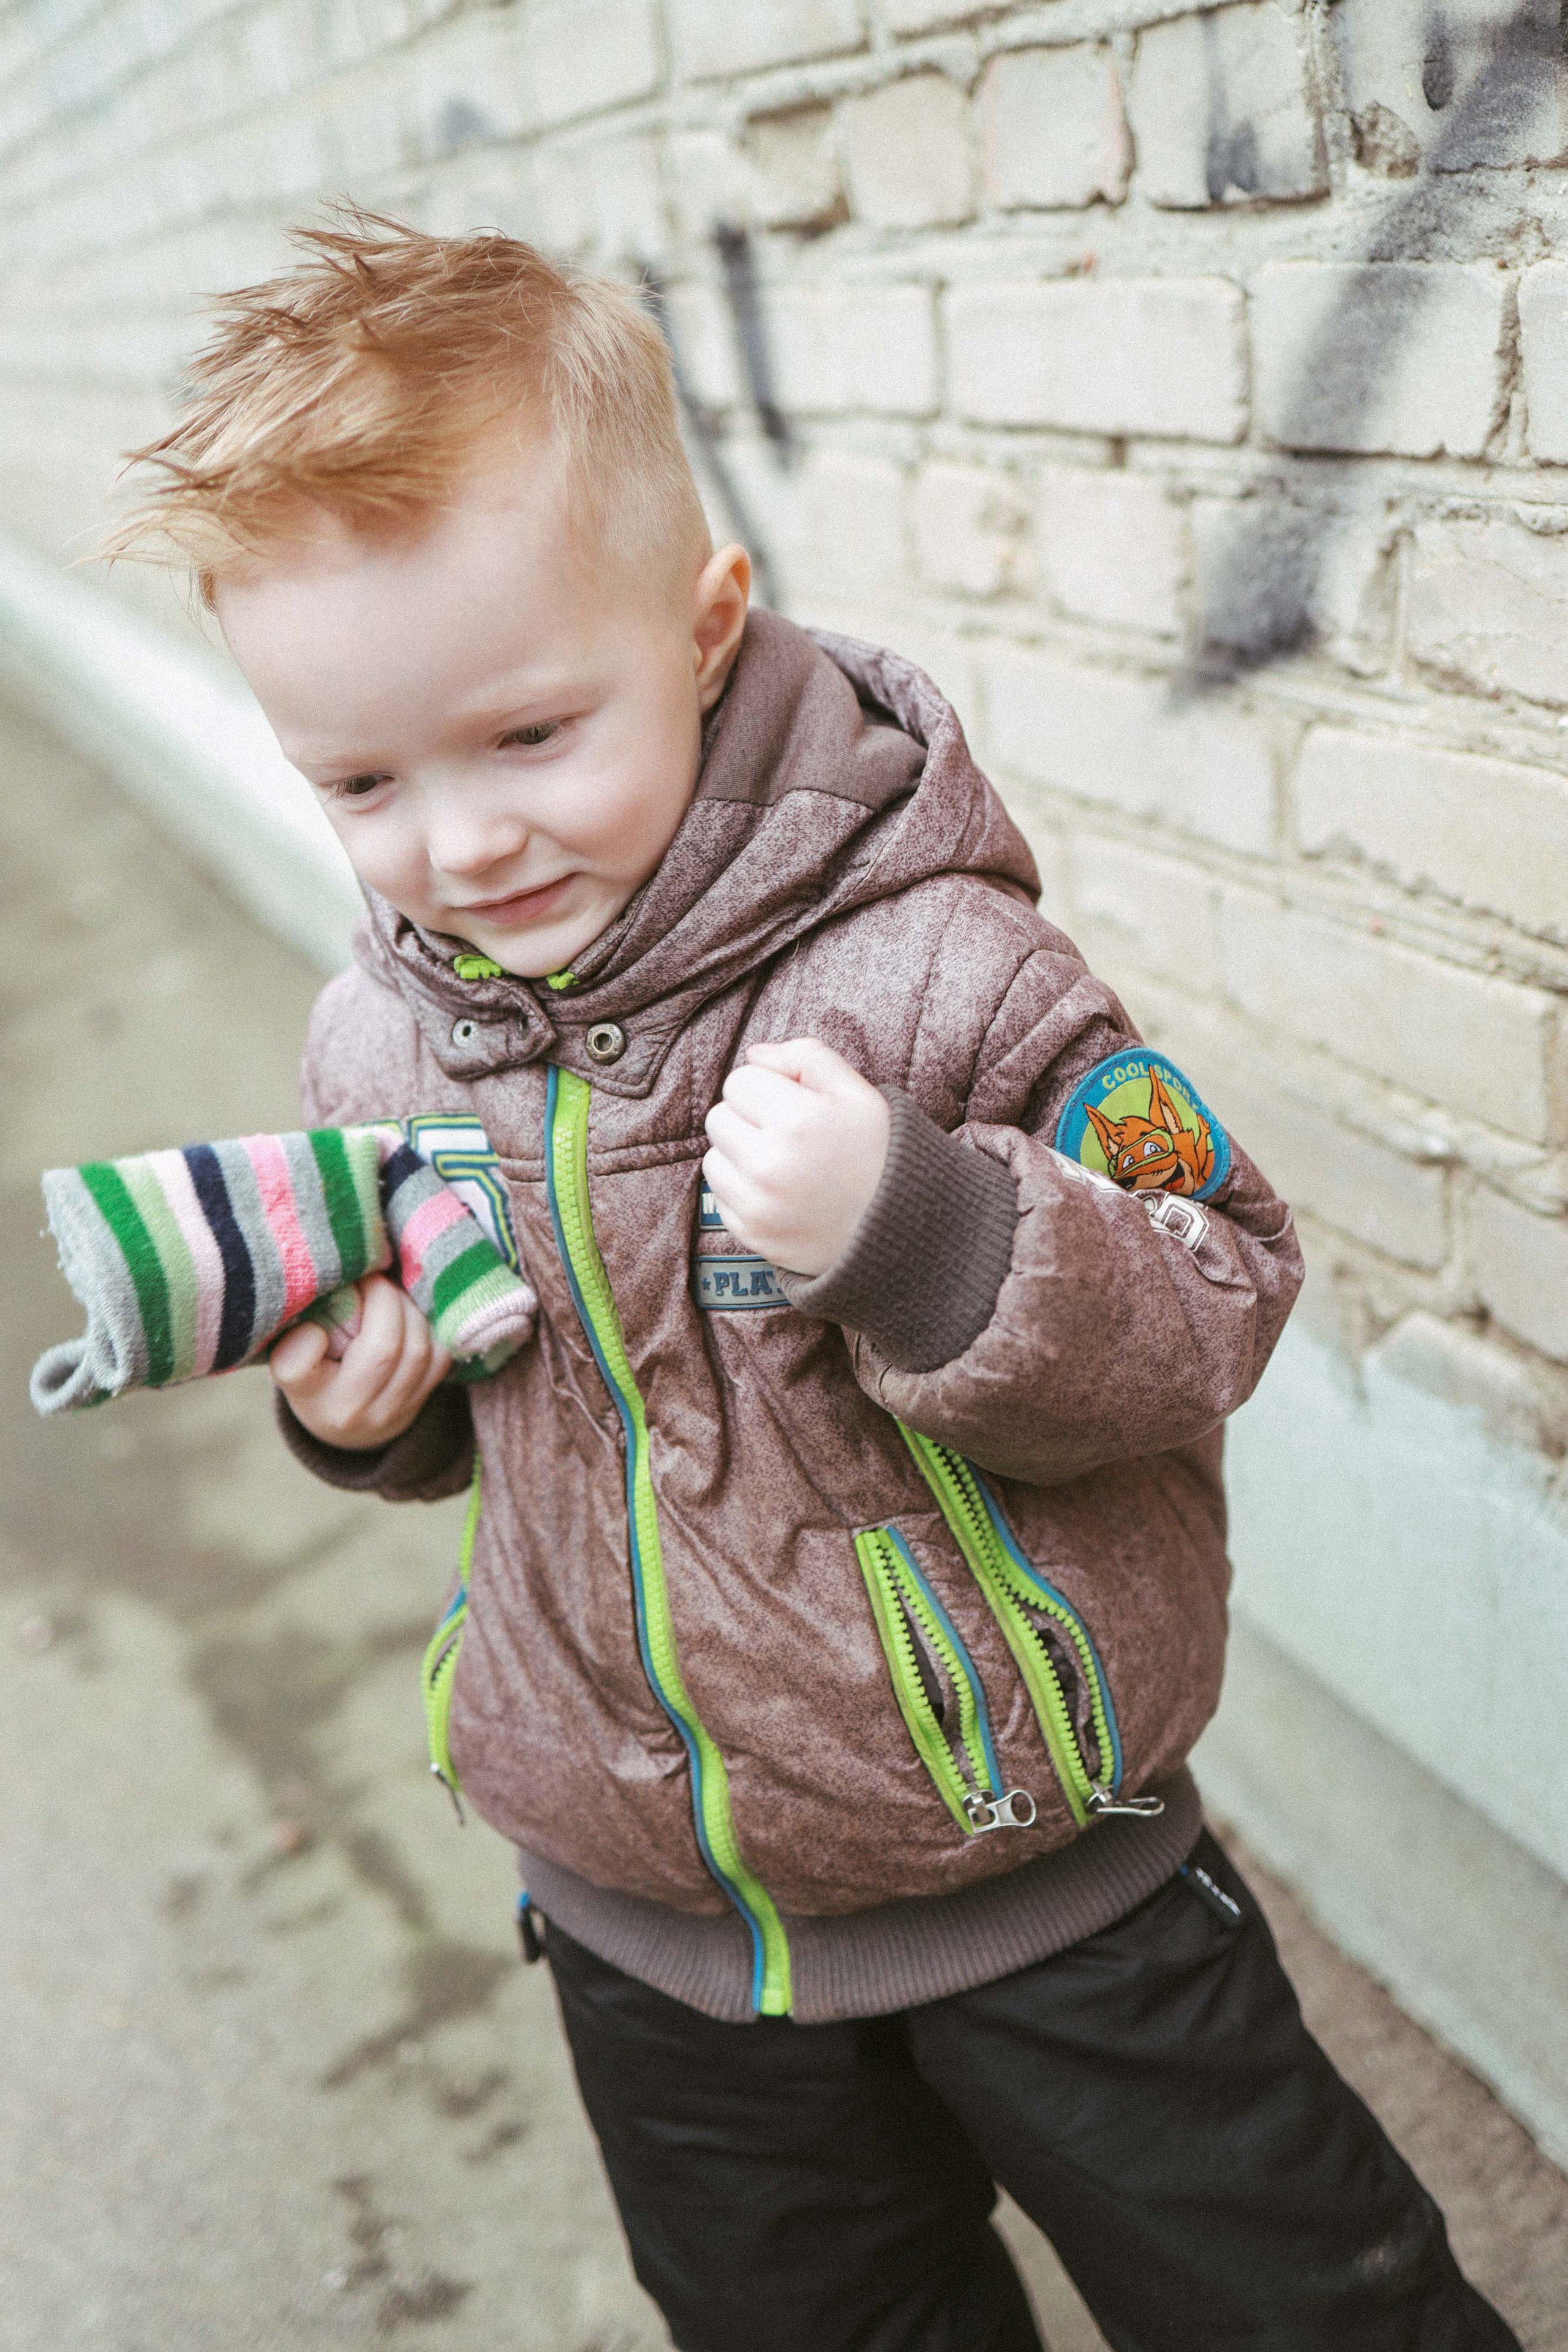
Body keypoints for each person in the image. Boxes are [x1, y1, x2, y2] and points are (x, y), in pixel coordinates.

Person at [110, 212, 1518, 2352]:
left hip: (1041, 1878)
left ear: (703, 626)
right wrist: (371, 1409)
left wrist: (930, 1232)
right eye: (364, 785)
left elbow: (1220, 1281)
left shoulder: (939, 971)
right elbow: (494, 1385)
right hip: (646, 1922)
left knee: (1303, 2307)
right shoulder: (384, 1040)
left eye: (525, 737)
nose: (461, 848)